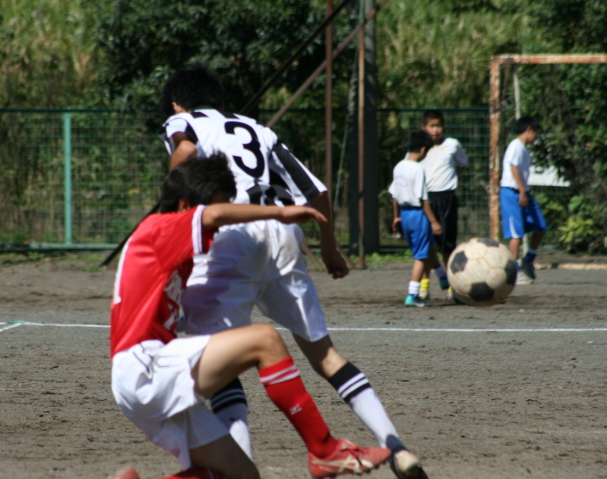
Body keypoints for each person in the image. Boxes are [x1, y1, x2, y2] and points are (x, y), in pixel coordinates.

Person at [158, 65, 429, 479]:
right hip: (281, 234)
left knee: (223, 367)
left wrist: (167, 212)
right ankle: (396, 446)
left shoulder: (183, 121)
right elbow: (316, 191)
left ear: (178, 104)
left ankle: (240, 471)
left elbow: (185, 152)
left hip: (232, 235)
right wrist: (330, 247)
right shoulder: (257, 129)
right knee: (326, 356)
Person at [110, 155, 391, 479]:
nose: (219, 227)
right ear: (185, 205)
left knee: (241, 473)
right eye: (215, 209)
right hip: (144, 367)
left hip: (141, 375)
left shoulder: (168, 247)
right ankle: (324, 450)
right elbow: (215, 215)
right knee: (265, 340)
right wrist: (280, 212)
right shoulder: (160, 228)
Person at [418, 110, 468, 301]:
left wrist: (449, 177)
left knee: (448, 245)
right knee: (426, 246)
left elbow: (462, 164)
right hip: (425, 199)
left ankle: (452, 288)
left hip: (447, 198)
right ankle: (424, 286)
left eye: (438, 126)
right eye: (432, 126)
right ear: (424, 127)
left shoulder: (452, 144)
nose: (435, 130)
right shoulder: (419, 147)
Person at [389, 130, 443, 307]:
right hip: (418, 214)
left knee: (430, 247)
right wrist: (434, 221)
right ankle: (412, 295)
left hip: (405, 214)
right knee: (421, 256)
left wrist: (396, 216)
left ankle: (444, 279)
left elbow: (394, 195)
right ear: (422, 149)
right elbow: (422, 199)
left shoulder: (399, 166)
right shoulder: (418, 168)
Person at [499, 115, 547, 284]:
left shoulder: (525, 150)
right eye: (535, 133)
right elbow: (513, 167)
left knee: (541, 226)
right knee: (516, 235)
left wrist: (524, 191)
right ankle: (514, 272)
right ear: (528, 130)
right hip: (512, 192)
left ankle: (528, 259)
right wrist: (521, 191)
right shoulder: (515, 145)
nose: (536, 137)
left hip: (523, 192)